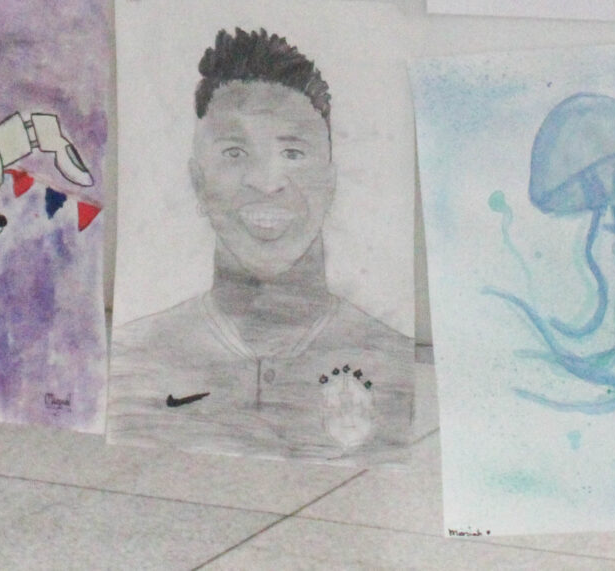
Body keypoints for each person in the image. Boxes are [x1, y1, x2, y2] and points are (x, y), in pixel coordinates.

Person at [107, 28, 412, 462]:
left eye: (293, 154)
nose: (267, 183)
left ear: (330, 182)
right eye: (235, 152)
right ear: (197, 181)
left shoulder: (395, 365)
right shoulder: (135, 360)